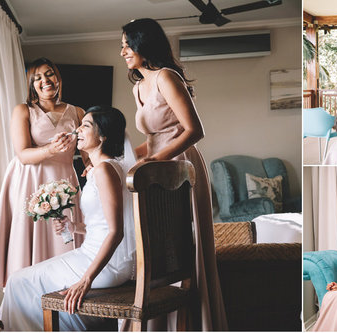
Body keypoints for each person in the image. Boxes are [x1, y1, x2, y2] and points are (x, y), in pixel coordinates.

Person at [121, 18, 224, 329]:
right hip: (156, 169)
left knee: (184, 244)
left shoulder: (167, 77)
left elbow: (194, 130)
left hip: (181, 167)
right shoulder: (139, 85)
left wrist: (154, 161)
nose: (122, 50)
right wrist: (120, 160)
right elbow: (153, 138)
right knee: (159, 245)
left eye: (127, 44)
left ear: (144, 44)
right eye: (122, 45)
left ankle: (193, 320)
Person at [0, 106, 136, 331]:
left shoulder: (105, 171)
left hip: (105, 266)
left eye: (86, 126)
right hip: (100, 257)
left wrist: (86, 280)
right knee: (22, 281)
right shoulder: (103, 168)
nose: (77, 130)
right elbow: (102, 223)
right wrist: (75, 227)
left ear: (103, 136)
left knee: (17, 281)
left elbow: (116, 231)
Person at [0, 57, 85, 288]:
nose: (45, 81)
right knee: (28, 237)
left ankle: (66, 295)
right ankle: (27, 297)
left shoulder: (77, 112)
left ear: (57, 78)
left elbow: (89, 154)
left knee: (64, 237)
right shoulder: (24, 110)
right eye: (37, 78)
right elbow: (22, 154)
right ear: (31, 84)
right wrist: (51, 149)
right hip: (30, 180)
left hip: (64, 180)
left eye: (49, 74)